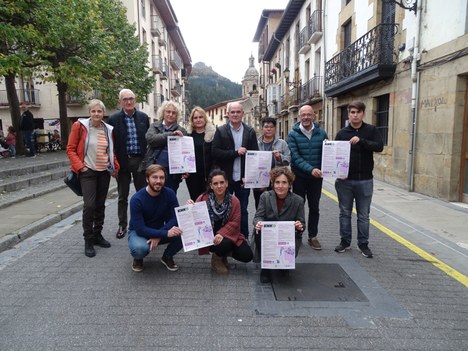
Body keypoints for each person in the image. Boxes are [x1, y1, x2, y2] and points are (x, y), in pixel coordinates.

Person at [66, 99, 120, 257]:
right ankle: (88, 239)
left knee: (100, 205)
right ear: (89, 112)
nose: (96, 114)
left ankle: (97, 234)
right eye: (93, 111)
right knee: (89, 205)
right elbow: (70, 149)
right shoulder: (80, 126)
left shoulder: (108, 129)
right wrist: (80, 167)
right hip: (87, 171)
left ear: (103, 113)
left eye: (99, 111)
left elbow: (110, 150)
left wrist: (115, 166)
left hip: (104, 172)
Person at [334, 101, 384, 258]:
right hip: (345, 181)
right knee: (344, 212)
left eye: (358, 112)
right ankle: (345, 241)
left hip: (365, 180)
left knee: (363, 214)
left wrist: (361, 141)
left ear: (363, 113)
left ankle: (363, 244)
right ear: (348, 114)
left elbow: (379, 146)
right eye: (352, 112)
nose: (355, 115)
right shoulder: (342, 133)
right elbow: (335, 154)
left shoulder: (371, 130)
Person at [188, 169, 253, 274]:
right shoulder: (202, 199)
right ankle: (217, 259)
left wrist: (221, 233)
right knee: (224, 243)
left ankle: (222, 254)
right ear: (211, 185)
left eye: (222, 182)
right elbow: (194, 221)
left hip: (228, 235)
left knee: (247, 255)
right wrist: (190, 208)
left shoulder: (234, 201)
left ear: (227, 183)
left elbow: (235, 223)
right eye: (215, 183)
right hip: (209, 238)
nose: (219, 186)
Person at [211, 102, 259, 239]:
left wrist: (248, 176)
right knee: (222, 210)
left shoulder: (250, 132)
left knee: (242, 210)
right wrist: (235, 153)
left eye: (238, 112)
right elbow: (215, 152)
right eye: (232, 112)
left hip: (243, 179)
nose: (235, 114)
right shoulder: (221, 131)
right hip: (226, 179)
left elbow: (254, 156)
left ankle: (243, 237)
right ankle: (222, 238)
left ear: (242, 113)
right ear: (228, 114)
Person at [108, 89, 149, 239]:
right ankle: (122, 225)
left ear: (135, 99)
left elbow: (148, 141)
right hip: (122, 162)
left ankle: (142, 223)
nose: (129, 101)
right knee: (122, 196)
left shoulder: (144, 118)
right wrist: (113, 165)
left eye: (131, 98)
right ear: (121, 102)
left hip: (140, 161)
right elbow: (110, 144)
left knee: (143, 194)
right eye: (125, 99)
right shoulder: (113, 119)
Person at [253, 167, 305, 283]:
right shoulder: (265, 196)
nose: (280, 186)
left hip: (286, 236)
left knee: (284, 273)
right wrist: (258, 223)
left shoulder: (298, 201)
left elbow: (302, 223)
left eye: (284, 182)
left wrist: (299, 226)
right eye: (277, 182)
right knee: (258, 231)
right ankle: (265, 268)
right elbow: (258, 217)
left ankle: (284, 264)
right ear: (272, 183)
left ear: (290, 184)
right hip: (269, 234)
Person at [128, 164, 183, 272]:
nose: (158, 181)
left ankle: (167, 256)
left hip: (160, 228)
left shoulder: (169, 193)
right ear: (147, 179)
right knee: (140, 248)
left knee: (184, 231)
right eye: (154, 177)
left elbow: (175, 217)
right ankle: (138, 258)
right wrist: (165, 233)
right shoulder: (136, 199)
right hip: (139, 232)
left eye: (161, 178)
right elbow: (140, 229)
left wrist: (159, 234)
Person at [287, 104, 328, 250]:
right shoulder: (292, 134)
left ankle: (313, 236)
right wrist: (311, 169)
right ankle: (297, 235)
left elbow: (328, 153)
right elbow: (295, 157)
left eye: (308, 114)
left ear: (313, 116)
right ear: (299, 117)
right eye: (303, 114)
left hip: (316, 178)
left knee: (314, 207)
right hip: (299, 176)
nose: (305, 117)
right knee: (297, 206)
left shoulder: (322, 133)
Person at [141, 100, 187, 194]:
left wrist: (186, 168)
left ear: (177, 115)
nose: (170, 114)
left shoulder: (182, 130)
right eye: (168, 111)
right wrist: (171, 135)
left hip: (172, 173)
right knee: (153, 196)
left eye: (173, 113)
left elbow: (185, 151)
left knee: (170, 196)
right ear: (163, 112)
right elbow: (151, 140)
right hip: (154, 168)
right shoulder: (154, 126)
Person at [254, 117, 291, 208]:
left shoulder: (282, 143)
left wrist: (279, 157)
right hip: (259, 180)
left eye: (271, 126)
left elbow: (288, 160)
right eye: (266, 126)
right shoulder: (255, 144)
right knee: (260, 207)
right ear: (262, 128)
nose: (269, 129)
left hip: (277, 180)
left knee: (277, 207)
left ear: (275, 128)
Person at [184, 106, 215, 200]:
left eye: (200, 117)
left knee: (208, 201)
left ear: (205, 118)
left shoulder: (212, 134)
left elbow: (215, 156)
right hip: (192, 176)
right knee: (195, 200)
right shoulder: (187, 135)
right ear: (192, 120)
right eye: (195, 118)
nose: (198, 120)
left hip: (208, 174)